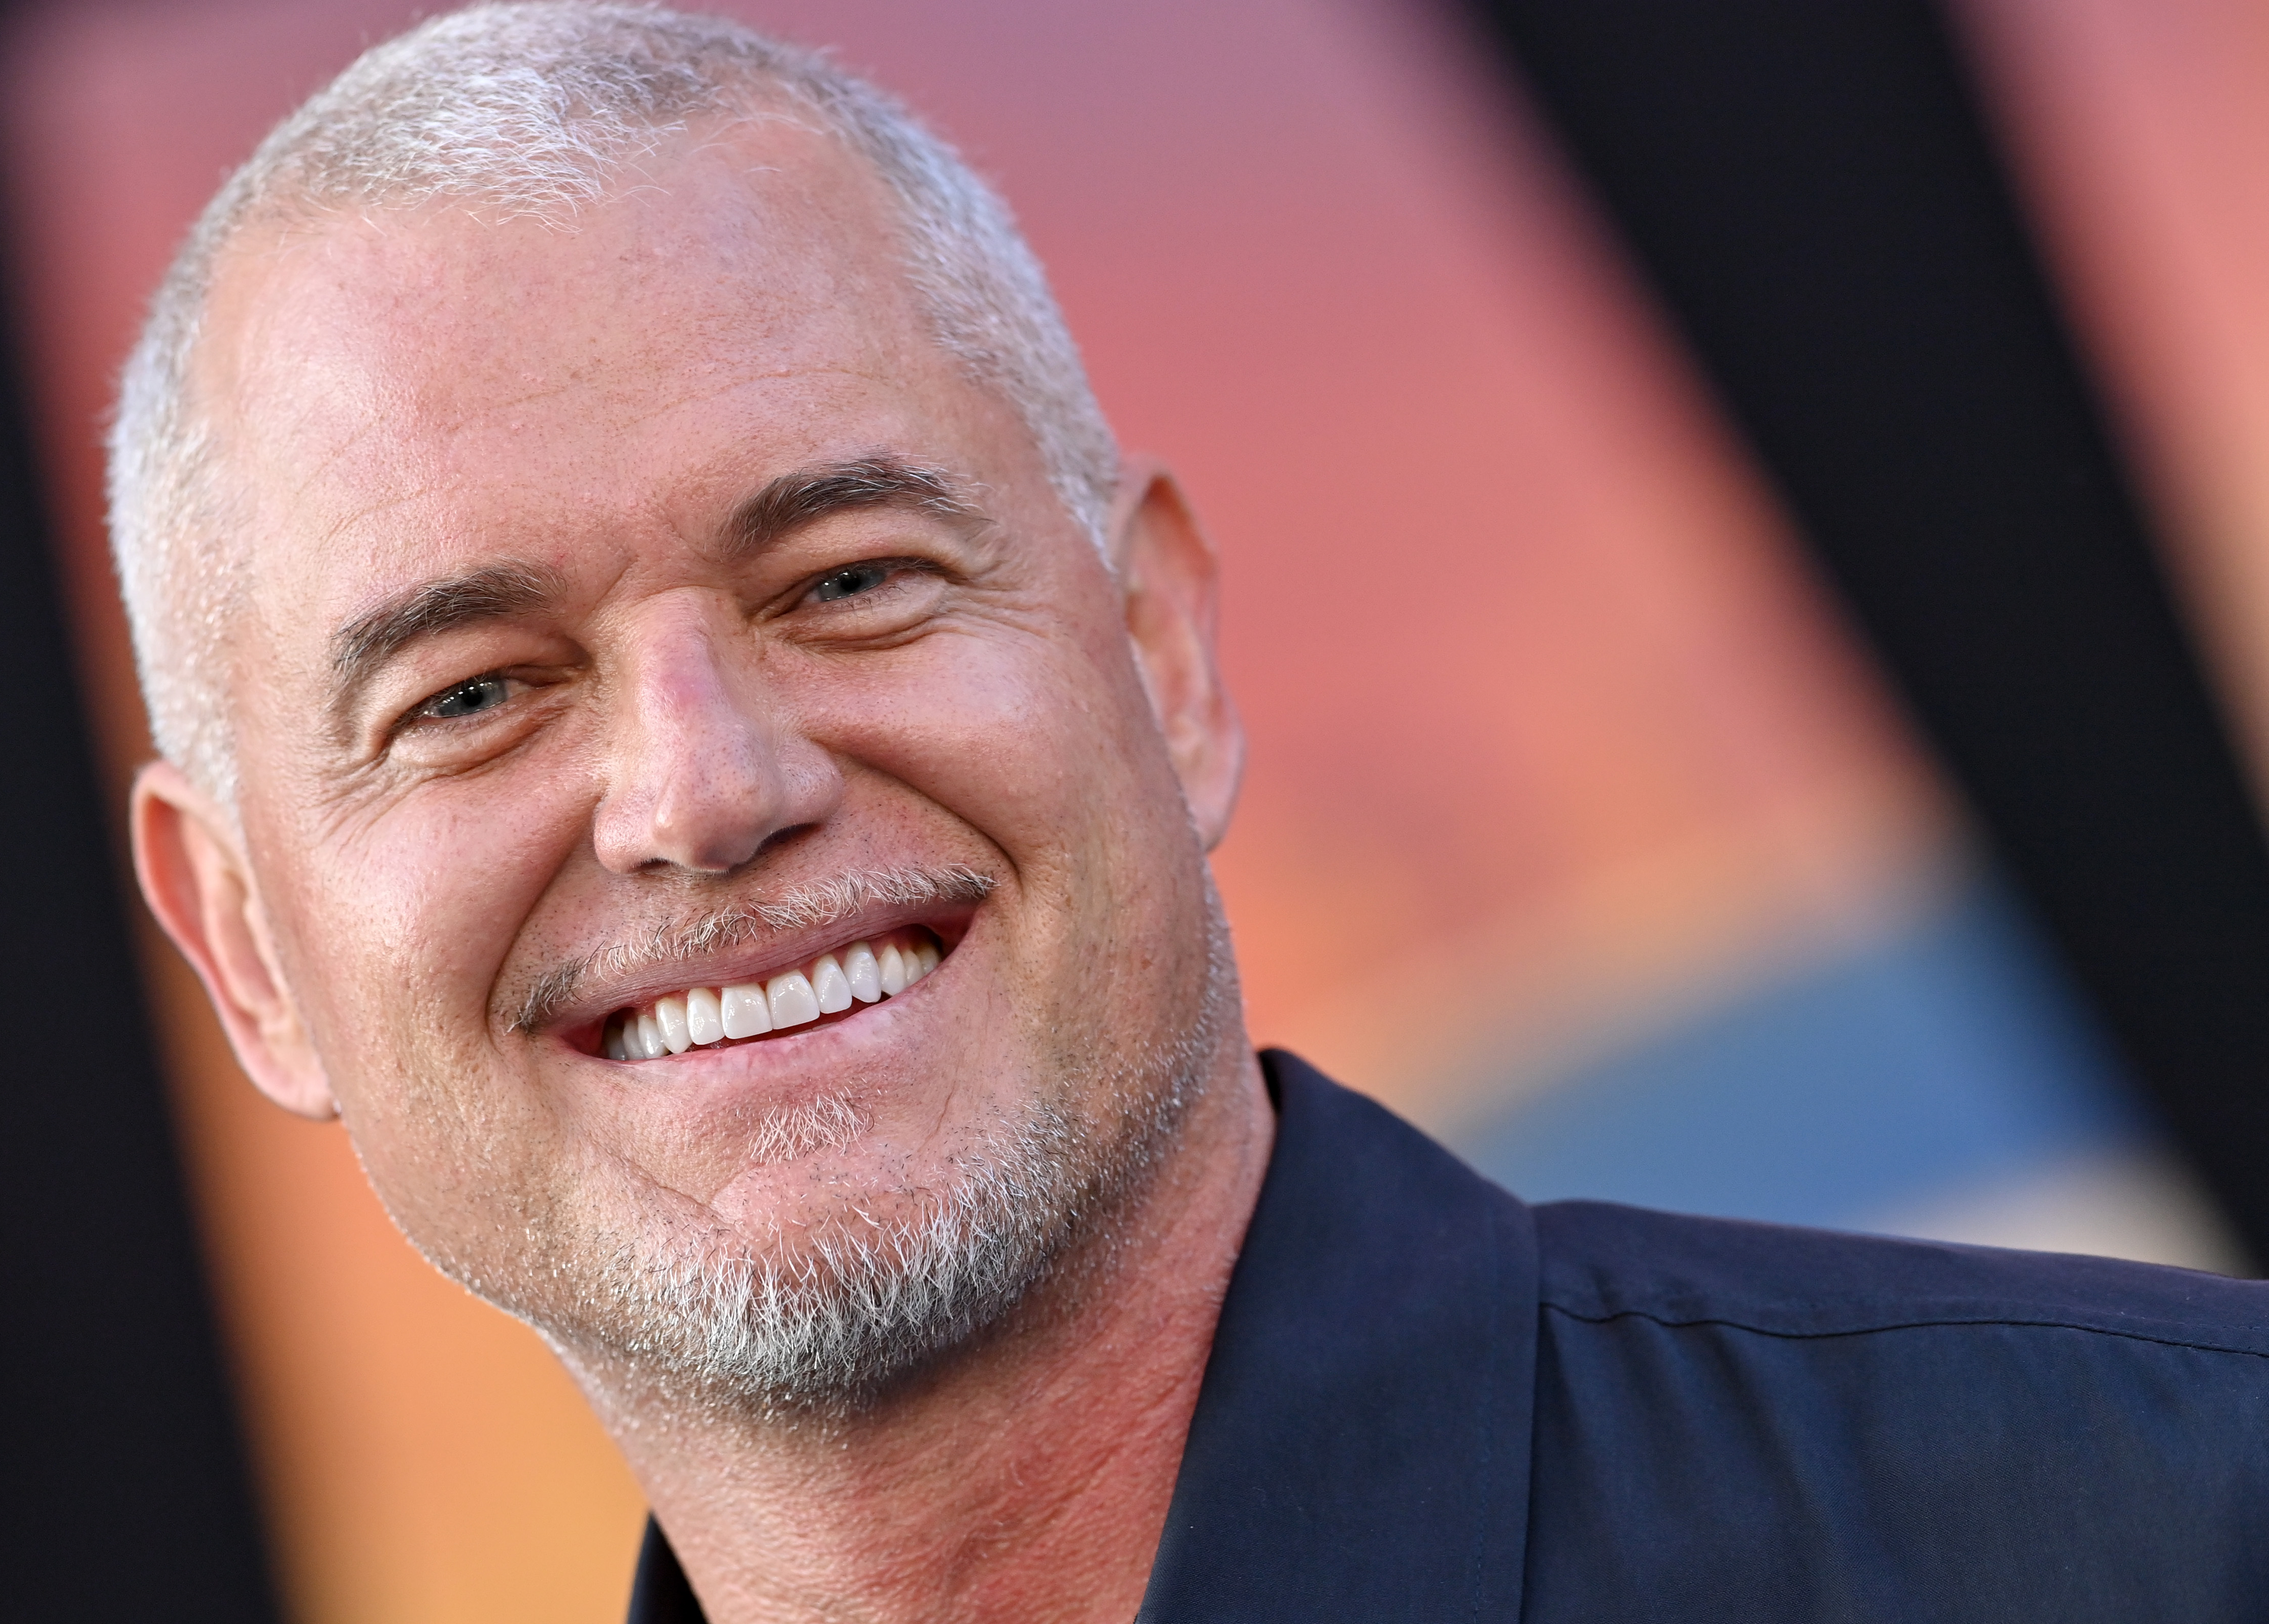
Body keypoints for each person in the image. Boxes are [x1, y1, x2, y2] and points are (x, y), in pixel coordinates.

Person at [115, 6, 2269, 1620]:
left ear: (1163, 653)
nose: (703, 786)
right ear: (245, 948)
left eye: (850, 580)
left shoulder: (2185, 1525)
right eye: (472, 693)